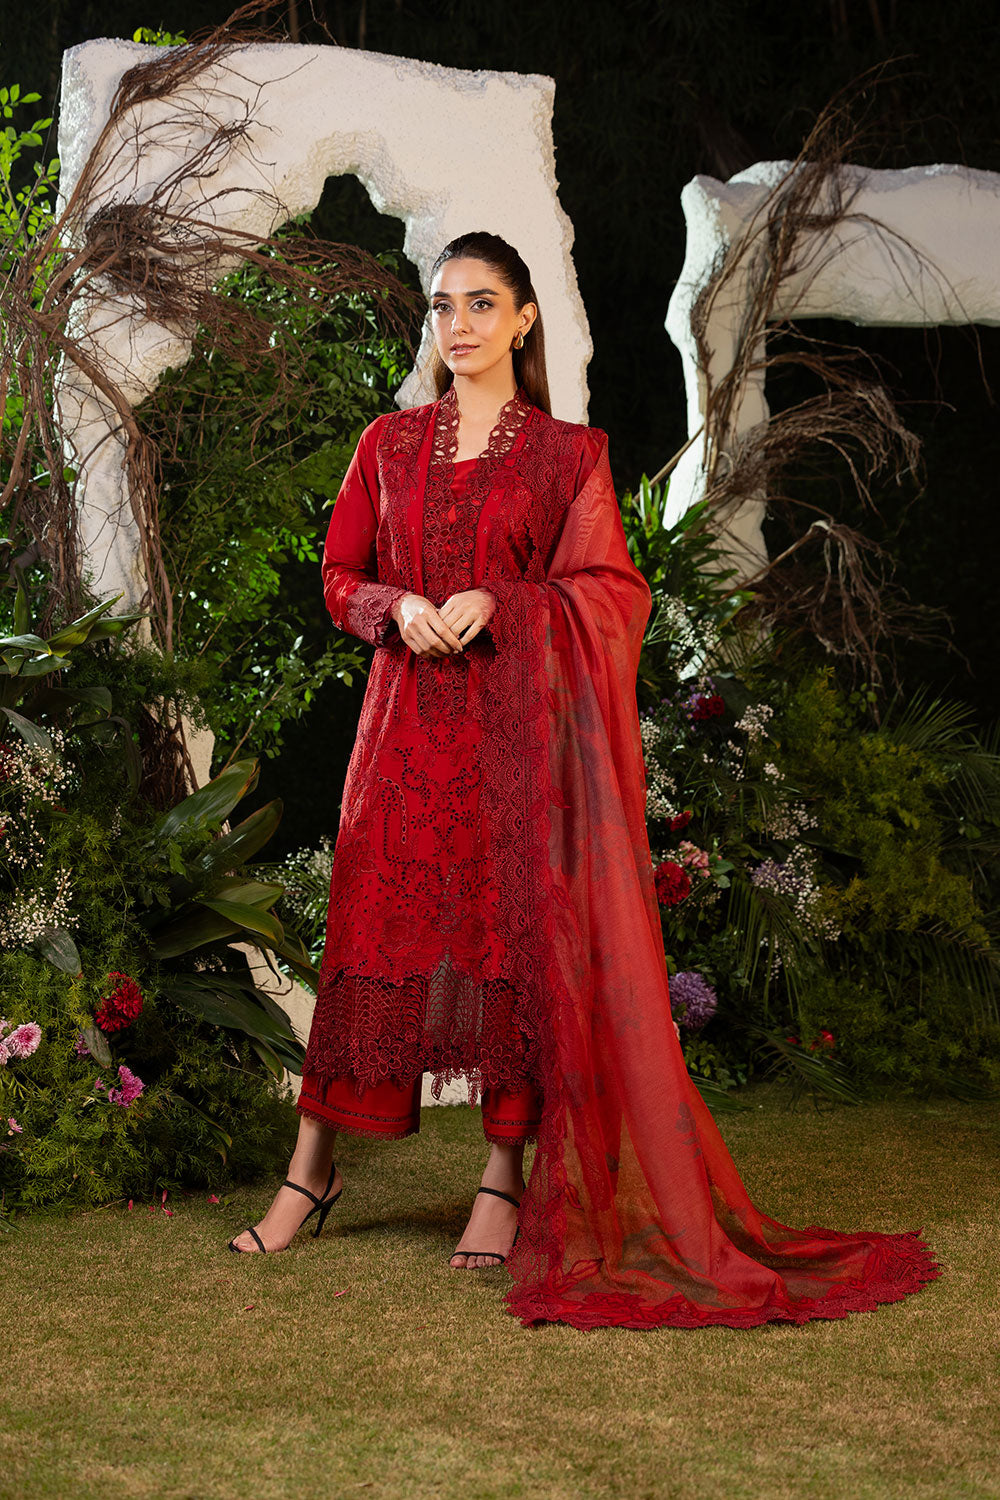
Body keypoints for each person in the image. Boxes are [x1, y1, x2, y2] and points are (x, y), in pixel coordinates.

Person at [228, 231, 942, 1332]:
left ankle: (502, 1180)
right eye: (442, 304)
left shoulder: (568, 455)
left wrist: (506, 602)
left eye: (482, 303)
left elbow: (612, 592)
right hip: (401, 739)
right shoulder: (387, 444)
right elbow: (339, 574)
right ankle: (309, 1171)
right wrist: (394, 606)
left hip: (517, 749)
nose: (458, 324)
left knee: (512, 950)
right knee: (370, 941)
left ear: (523, 319)